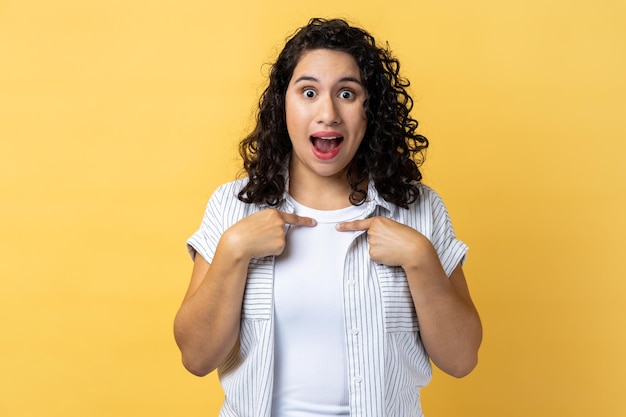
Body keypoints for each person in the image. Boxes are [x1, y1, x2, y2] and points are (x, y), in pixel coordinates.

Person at [174, 17, 482, 417]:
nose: (328, 113)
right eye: (308, 92)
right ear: (283, 105)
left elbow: (461, 360)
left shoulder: (421, 209)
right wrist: (233, 250)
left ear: (371, 110)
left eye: (347, 94)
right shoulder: (232, 205)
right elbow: (196, 358)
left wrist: (421, 258)